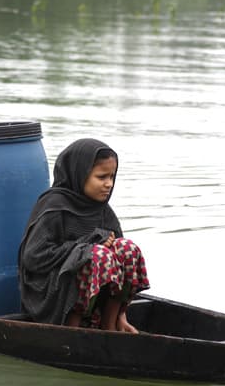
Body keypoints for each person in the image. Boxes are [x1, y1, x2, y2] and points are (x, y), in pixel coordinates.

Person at [17, 138, 150, 332]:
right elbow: (33, 258)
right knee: (98, 255)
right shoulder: (54, 206)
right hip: (52, 293)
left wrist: (123, 314)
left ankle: (111, 323)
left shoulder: (103, 210)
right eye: (101, 177)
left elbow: (119, 269)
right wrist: (87, 246)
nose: (109, 184)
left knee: (126, 249)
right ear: (80, 174)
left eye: (112, 177)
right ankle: (73, 329)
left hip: (91, 293)